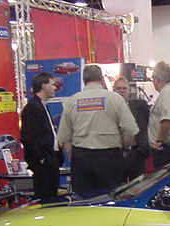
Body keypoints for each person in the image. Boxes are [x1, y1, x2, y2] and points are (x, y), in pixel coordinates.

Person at [57, 65, 138, 197]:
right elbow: (130, 130)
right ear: (101, 79)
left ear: (84, 80)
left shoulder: (72, 101)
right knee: (110, 197)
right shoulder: (115, 99)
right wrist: (125, 148)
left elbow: (65, 138)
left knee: (84, 200)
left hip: (81, 158)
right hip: (110, 158)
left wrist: (75, 157)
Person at [20, 72, 63, 202]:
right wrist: (41, 159)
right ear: (43, 86)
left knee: (52, 196)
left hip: (50, 160)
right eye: (52, 84)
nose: (55, 88)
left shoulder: (41, 105)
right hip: (43, 164)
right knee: (46, 198)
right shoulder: (32, 108)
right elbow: (28, 137)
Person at [113, 76, 150, 181]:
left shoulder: (140, 106)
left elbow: (148, 123)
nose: (122, 91)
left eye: (124, 88)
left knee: (138, 185)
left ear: (129, 91)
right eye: (118, 88)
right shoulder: (109, 109)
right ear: (113, 90)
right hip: (117, 154)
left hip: (137, 153)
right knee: (119, 186)